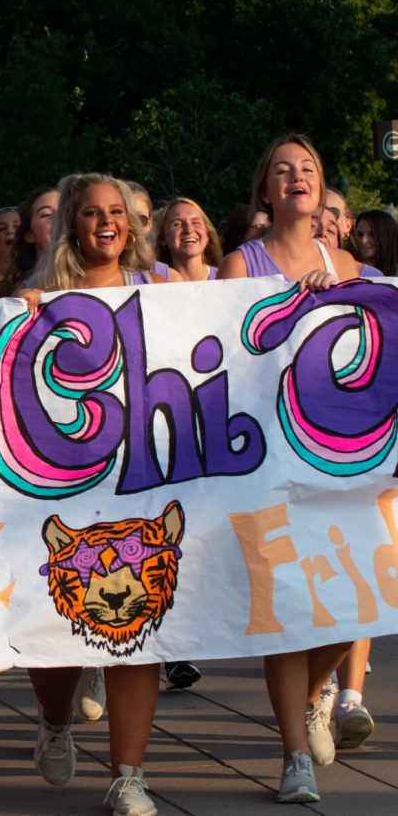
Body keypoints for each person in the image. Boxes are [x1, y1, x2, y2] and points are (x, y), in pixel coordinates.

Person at [217, 133, 364, 803]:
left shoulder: (351, 263)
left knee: (348, 600)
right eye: (282, 169)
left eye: (308, 166)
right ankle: (293, 756)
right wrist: (287, 307)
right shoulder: (239, 261)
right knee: (284, 608)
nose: (296, 176)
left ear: (322, 186)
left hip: (337, 454)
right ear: (266, 192)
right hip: (267, 452)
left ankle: (315, 695)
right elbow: (220, 355)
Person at [20, 172, 162, 816]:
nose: (106, 222)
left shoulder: (162, 293)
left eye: (117, 212)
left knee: (142, 633)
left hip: (142, 482)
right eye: (91, 213)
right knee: (57, 634)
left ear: (130, 225)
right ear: (71, 226)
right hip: (63, 488)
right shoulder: (39, 297)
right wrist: (17, 318)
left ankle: (128, 777)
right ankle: (55, 720)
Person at [0, 186, 58, 299]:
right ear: (30, 235)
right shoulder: (22, 295)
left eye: (64, 211)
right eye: (47, 215)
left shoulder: (97, 277)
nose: (59, 218)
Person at [156, 198, 222, 282]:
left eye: (196, 223)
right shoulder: (154, 282)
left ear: (207, 236)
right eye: (177, 224)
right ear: (162, 238)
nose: (188, 230)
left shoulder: (223, 278)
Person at [349, 209, 398, 277]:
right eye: (360, 235)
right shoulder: (349, 268)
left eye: (372, 235)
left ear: (387, 236)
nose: (364, 241)